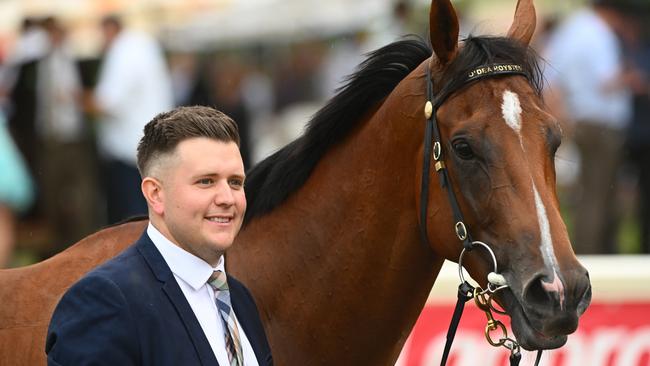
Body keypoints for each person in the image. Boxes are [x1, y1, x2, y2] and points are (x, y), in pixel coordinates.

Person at [46, 106, 273, 365]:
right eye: (206, 181)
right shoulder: (105, 301)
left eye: (235, 182)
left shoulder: (241, 299)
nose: (227, 198)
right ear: (155, 194)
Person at [543, 0, 634, 254]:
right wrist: (631, 78)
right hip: (601, 123)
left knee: (588, 192)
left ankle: (585, 248)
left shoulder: (572, 29)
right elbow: (606, 80)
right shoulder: (600, 34)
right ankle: (591, 251)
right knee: (598, 193)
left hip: (581, 118)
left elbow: (552, 73)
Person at [89, 15, 173, 224]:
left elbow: (106, 102)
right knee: (152, 215)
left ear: (109, 30)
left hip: (130, 153)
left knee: (130, 222)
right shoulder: (144, 45)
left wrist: (71, 97)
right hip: (154, 147)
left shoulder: (123, 50)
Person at [36, 17, 99, 253]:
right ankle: (58, 245)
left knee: (80, 192)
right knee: (53, 192)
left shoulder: (75, 59)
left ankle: (82, 242)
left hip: (74, 138)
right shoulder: (40, 63)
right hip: (50, 138)